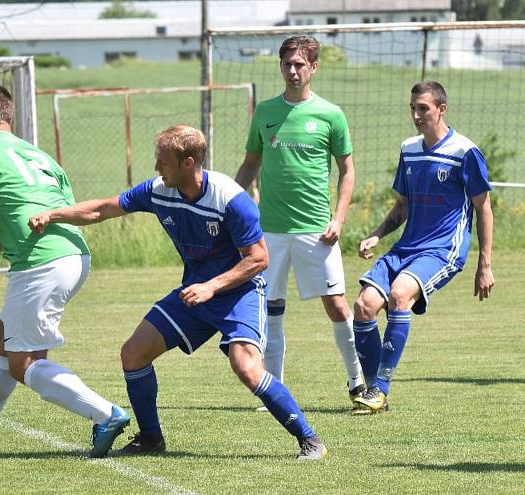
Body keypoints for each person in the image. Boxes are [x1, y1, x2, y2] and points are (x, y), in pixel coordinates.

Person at [29, 124, 327, 460]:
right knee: (133, 353)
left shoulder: (230, 200)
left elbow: (259, 259)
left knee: (245, 366)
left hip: (238, 294)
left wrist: (212, 286)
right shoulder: (159, 190)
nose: (157, 168)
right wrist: (54, 215)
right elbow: (104, 208)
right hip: (194, 293)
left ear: (189, 162)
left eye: (163, 161)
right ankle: (151, 438)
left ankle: (310, 439)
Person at [0, 83, 129, 458]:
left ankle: (106, 414)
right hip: (72, 254)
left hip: (41, 263)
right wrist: (2, 236)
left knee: (24, 364)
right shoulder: (39, 155)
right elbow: (45, 204)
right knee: (1, 344)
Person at [234, 35, 365, 406]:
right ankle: (272, 390)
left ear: (313, 68)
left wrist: (338, 218)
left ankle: (357, 379)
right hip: (270, 231)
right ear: (280, 66)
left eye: (300, 65)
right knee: (271, 308)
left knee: (337, 305)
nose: (293, 71)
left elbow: (348, 171)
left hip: (316, 231)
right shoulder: (264, 112)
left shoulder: (330, 114)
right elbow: (250, 164)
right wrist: (228, 199)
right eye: (287, 64)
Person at [351, 80, 494, 414]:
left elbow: (483, 208)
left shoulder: (465, 151)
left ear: (441, 109)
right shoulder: (409, 149)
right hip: (406, 247)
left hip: (443, 249)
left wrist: (484, 264)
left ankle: (380, 389)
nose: (416, 115)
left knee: (400, 294)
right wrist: (378, 233)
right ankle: (373, 392)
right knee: (363, 305)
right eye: (412, 108)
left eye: (423, 108)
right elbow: (403, 206)